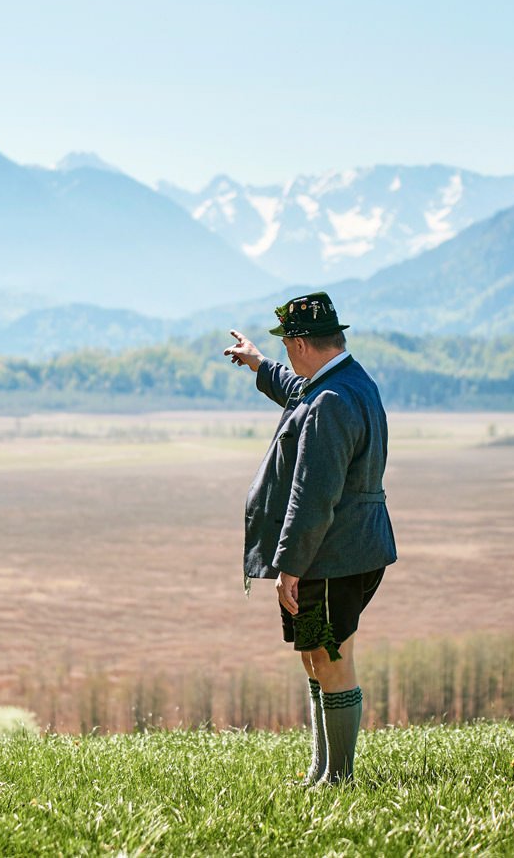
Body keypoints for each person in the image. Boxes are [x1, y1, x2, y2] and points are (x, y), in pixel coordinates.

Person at [224, 292, 395, 785]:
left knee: (332, 657)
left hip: (329, 556)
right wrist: (259, 363)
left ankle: (337, 780)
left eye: (287, 344)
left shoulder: (330, 402)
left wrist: (289, 568)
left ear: (300, 342)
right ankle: (323, 771)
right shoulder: (347, 382)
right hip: (350, 549)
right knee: (316, 654)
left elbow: (311, 497)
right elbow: (296, 390)